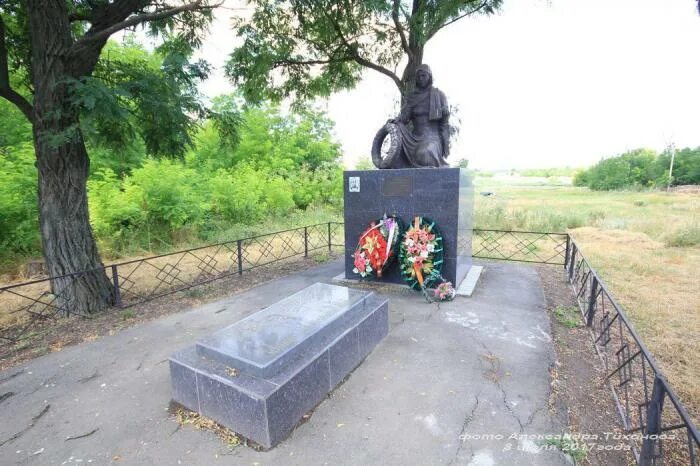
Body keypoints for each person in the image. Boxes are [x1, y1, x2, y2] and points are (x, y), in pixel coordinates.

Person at [390, 64, 450, 167]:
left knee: (424, 154)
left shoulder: (439, 95)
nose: (421, 78)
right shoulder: (412, 98)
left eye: (424, 76)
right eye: (418, 76)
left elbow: (444, 124)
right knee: (397, 131)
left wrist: (444, 114)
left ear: (429, 77)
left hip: (432, 138)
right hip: (414, 138)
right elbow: (404, 118)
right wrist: (395, 121)